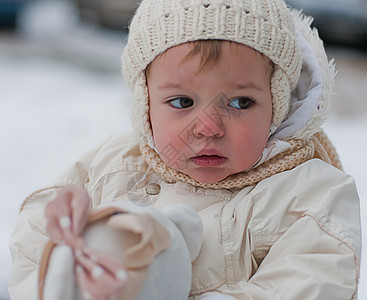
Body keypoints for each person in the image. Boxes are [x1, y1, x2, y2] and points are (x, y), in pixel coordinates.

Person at [9, 0, 361, 299]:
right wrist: (64, 250)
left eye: (240, 102)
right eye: (181, 101)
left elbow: (311, 282)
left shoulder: (308, 196)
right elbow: (32, 244)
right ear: (146, 102)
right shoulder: (111, 167)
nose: (208, 127)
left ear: (277, 104)